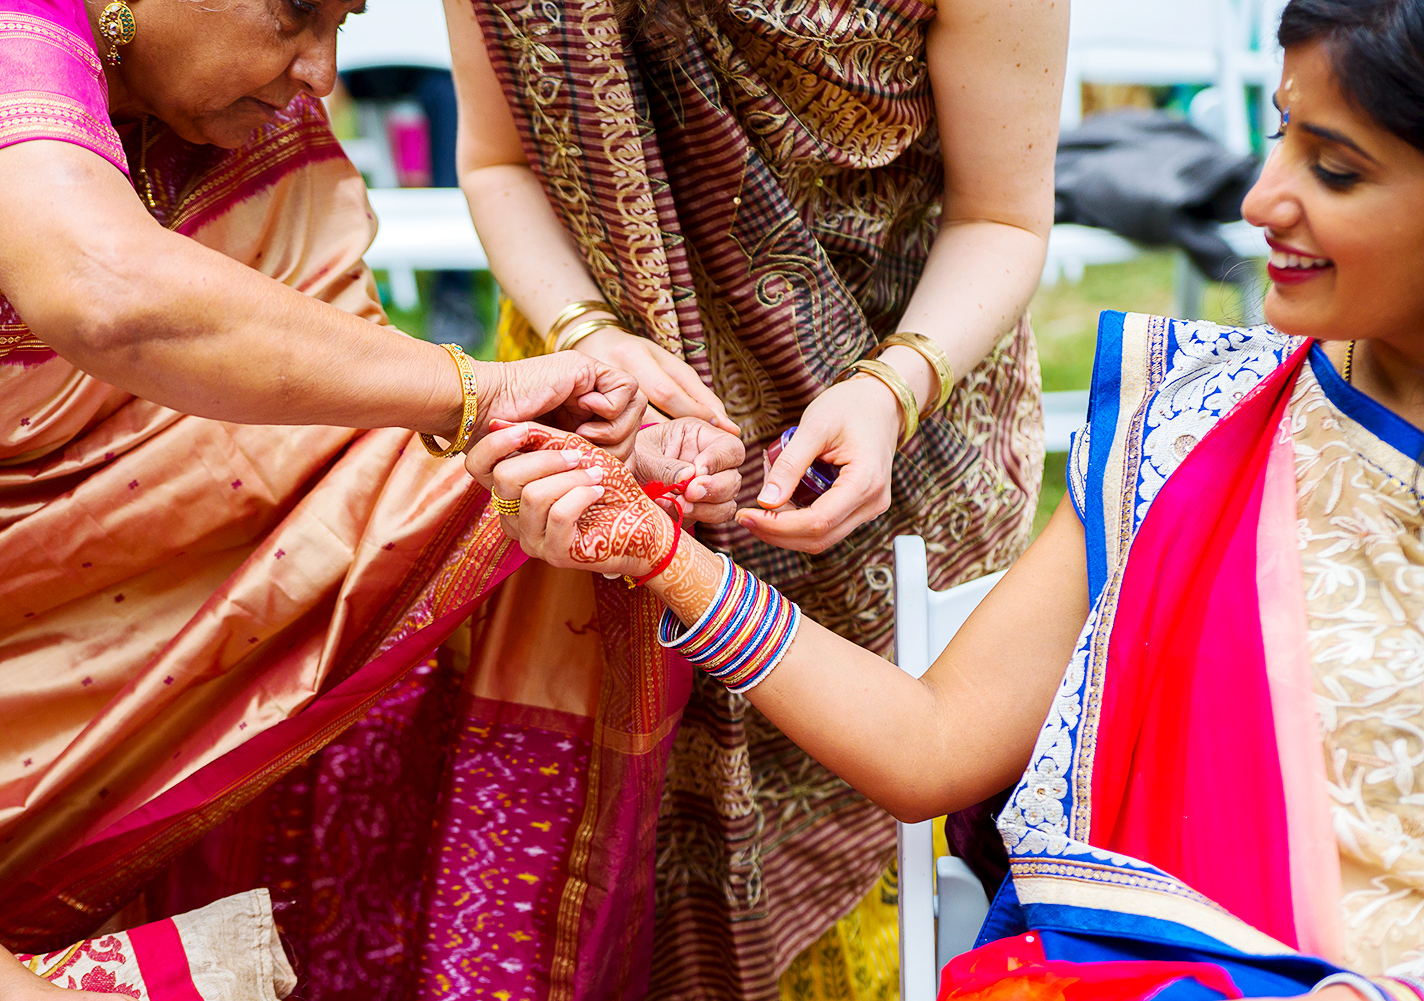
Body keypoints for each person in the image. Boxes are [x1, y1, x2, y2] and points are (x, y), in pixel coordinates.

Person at [471, 0, 1424, 995]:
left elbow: (1001, 212)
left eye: (1334, 168)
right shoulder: (1188, 424)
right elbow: (929, 741)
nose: (1259, 198)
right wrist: (664, 556)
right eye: (1279, 136)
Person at [0, 0, 745, 995]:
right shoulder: (3, 29)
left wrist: (574, 464)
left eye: (346, 23)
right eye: (296, 14)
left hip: (119, 656)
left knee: (553, 529)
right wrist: (480, 393)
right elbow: (106, 290)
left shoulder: (236, 103)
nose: (321, 73)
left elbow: (315, 435)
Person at [444, 0, 1063, 987]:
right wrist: (588, 335)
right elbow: (498, 160)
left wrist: (888, 390)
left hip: (898, 428)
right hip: (606, 422)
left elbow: (1003, 213)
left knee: (883, 831)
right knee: (607, 852)